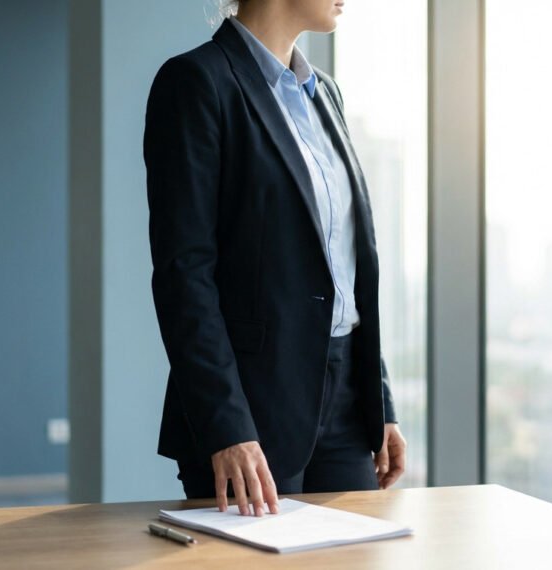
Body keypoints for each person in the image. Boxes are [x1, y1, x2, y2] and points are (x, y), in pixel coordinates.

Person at [143, 0, 406, 518]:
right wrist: (227, 428)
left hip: (346, 406)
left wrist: (380, 404)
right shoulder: (197, 82)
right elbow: (184, 275)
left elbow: (344, 265)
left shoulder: (325, 93)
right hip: (251, 411)